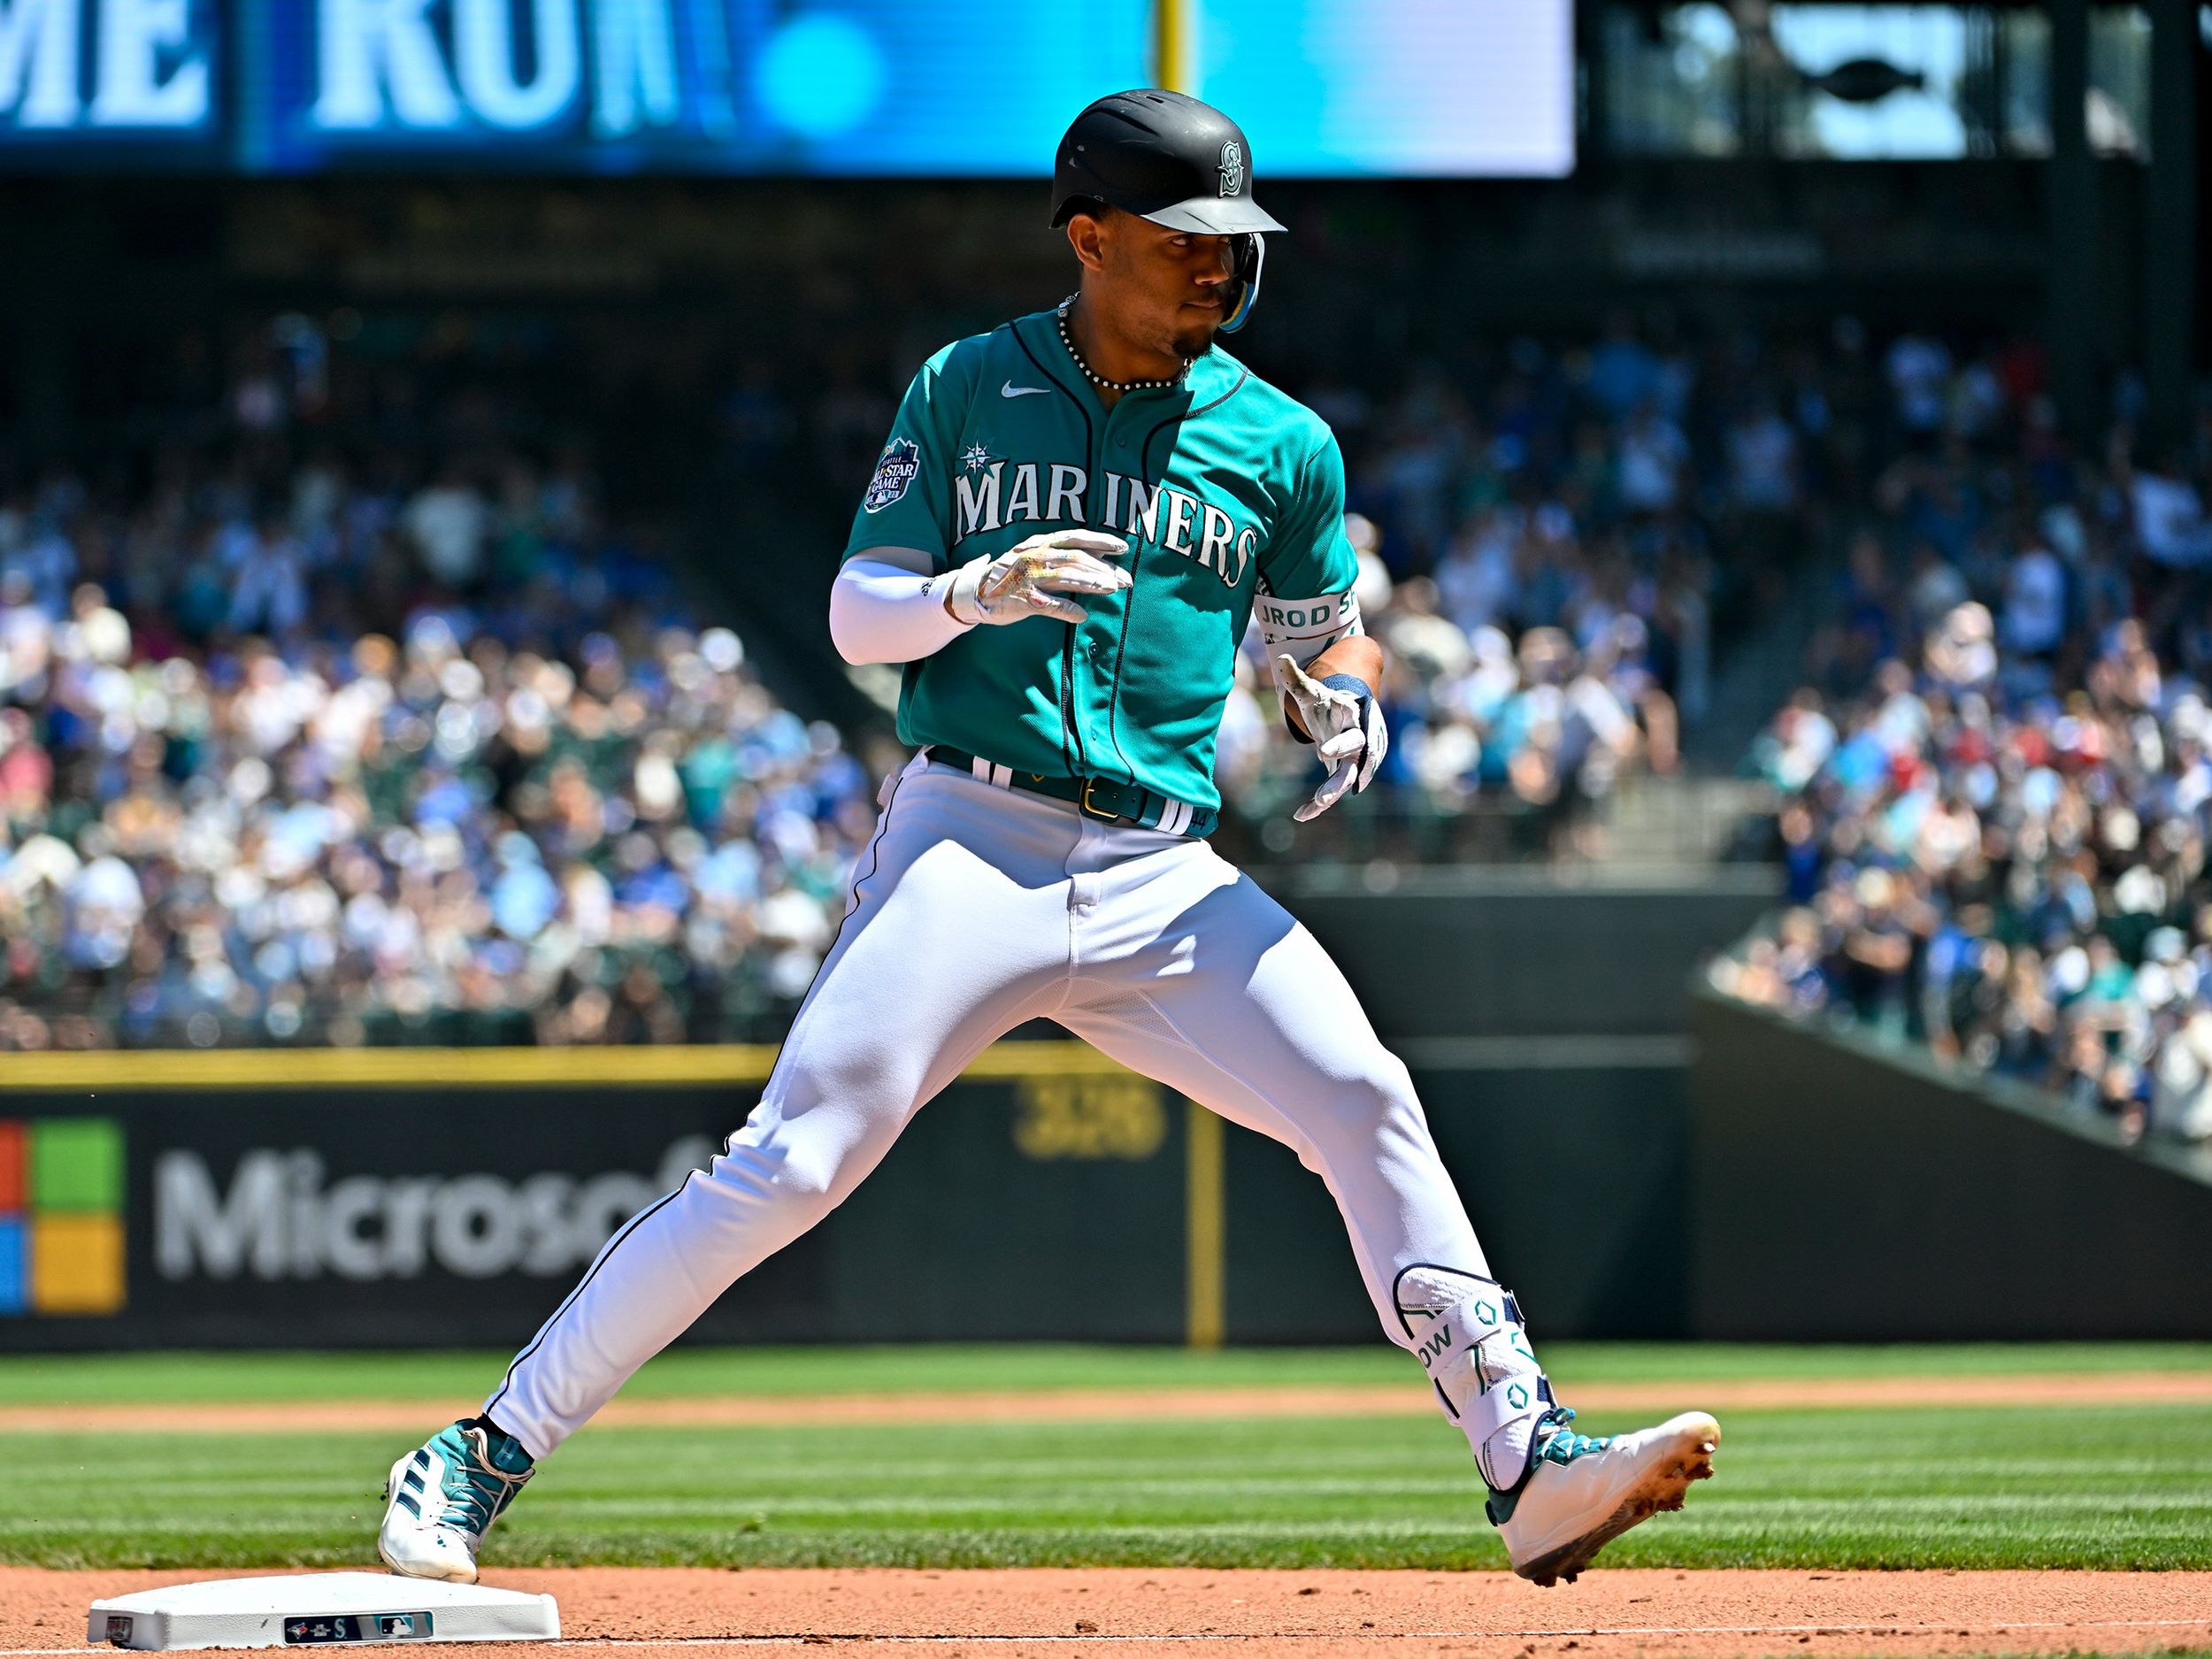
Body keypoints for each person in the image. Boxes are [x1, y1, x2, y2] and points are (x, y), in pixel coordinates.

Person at [374, 89, 1718, 1593]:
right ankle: (477, 1455)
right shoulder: (967, 383)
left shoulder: (1282, 443)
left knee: (1364, 1092)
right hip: (971, 837)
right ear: (1088, 235)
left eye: (1236, 239)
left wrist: (1341, 708)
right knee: (794, 1162)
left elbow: (1325, 647)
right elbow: (852, 610)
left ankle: (1529, 1467)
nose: (1221, 267)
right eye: (1184, 238)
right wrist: (970, 589)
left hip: (1165, 873)